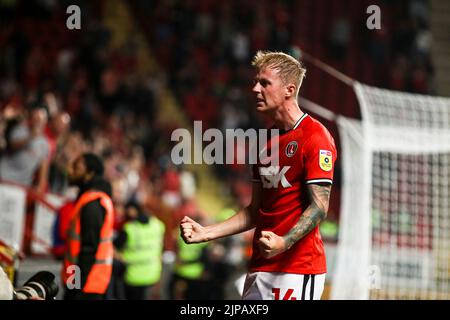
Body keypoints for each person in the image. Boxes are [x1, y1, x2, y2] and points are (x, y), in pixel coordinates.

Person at [180, 51, 337, 300]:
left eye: (264, 83)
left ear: (289, 89)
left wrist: (284, 242)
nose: (255, 88)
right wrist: (206, 233)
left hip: (296, 270)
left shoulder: (315, 136)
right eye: (255, 82)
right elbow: (255, 211)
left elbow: (320, 206)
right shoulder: (264, 143)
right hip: (259, 267)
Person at [61, 153, 115, 300]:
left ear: (89, 174)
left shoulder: (93, 203)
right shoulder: (88, 198)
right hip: (85, 283)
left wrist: (76, 288)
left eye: (77, 167)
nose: (71, 170)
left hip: (86, 287)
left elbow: (88, 249)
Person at [114, 201, 165, 300]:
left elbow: (114, 247)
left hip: (132, 276)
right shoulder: (158, 225)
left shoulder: (129, 229)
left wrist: (120, 258)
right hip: (153, 274)